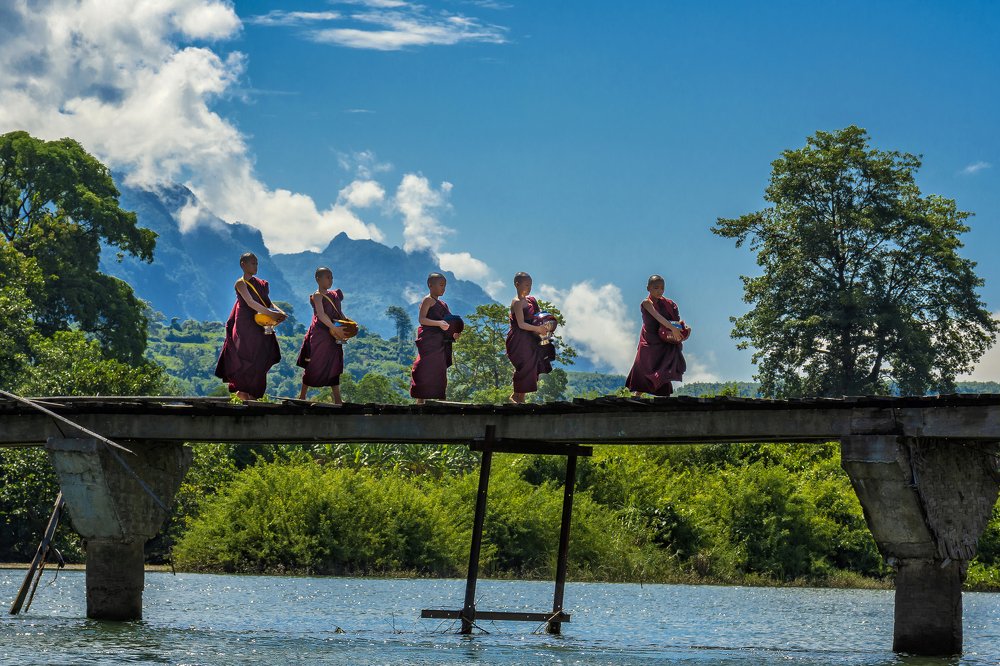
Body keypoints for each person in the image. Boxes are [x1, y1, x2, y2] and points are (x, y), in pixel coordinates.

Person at [214, 252, 286, 401]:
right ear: (243, 265)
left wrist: (279, 313)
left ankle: (252, 396)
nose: (256, 266)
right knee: (245, 358)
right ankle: (243, 394)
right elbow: (250, 302)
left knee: (260, 359)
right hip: (245, 327)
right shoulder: (240, 283)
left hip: (261, 325)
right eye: (253, 263)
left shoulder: (262, 284)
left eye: (257, 263)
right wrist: (271, 314)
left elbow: (268, 303)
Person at [625, 274, 690, 397]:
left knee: (663, 369)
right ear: (648, 288)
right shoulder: (646, 303)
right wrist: (673, 329)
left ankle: (664, 397)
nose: (659, 291)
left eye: (662, 288)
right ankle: (637, 396)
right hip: (649, 341)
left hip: (663, 340)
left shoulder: (668, 304)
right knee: (645, 368)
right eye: (656, 288)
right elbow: (658, 317)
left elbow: (674, 321)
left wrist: (683, 329)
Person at [297, 267, 350, 404]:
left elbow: (339, 313)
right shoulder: (317, 296)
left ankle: (337, 399)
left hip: (334, 335)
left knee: (334, 365)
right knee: (313, 363)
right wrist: (334, 328)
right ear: (318, 279)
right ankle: (302, 396)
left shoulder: (335, 295)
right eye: (327, 277)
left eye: (331, 277)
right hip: (320, 334)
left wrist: (347, 324)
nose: (330, 280)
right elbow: (321, 315)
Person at [410, 273, 460, 403]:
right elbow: (422, 319)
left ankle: (441, 401)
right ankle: (420, 401)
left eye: (445, 286)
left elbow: (450, 321)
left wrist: (455, 332)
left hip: (440, 342)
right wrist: (438, 323)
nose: (444, 288)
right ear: (430, 285)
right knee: (423, 368)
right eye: (441, 285)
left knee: (440, 370)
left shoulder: (443, 304)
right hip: (429, 340)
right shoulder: (427, 300)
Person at [505, 272, 554, 403]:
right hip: (519, 339)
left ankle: (520, 397)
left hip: (531, 338)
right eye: (526, 285)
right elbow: (521, 324)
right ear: (517, 284)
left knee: (532, 365)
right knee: (524, 365)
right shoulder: (517, 302)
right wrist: (538, 329)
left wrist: (546, 327)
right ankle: (516, 397)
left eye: (530, 285)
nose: (529, 288)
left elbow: (539, 317)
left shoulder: (531, 300)